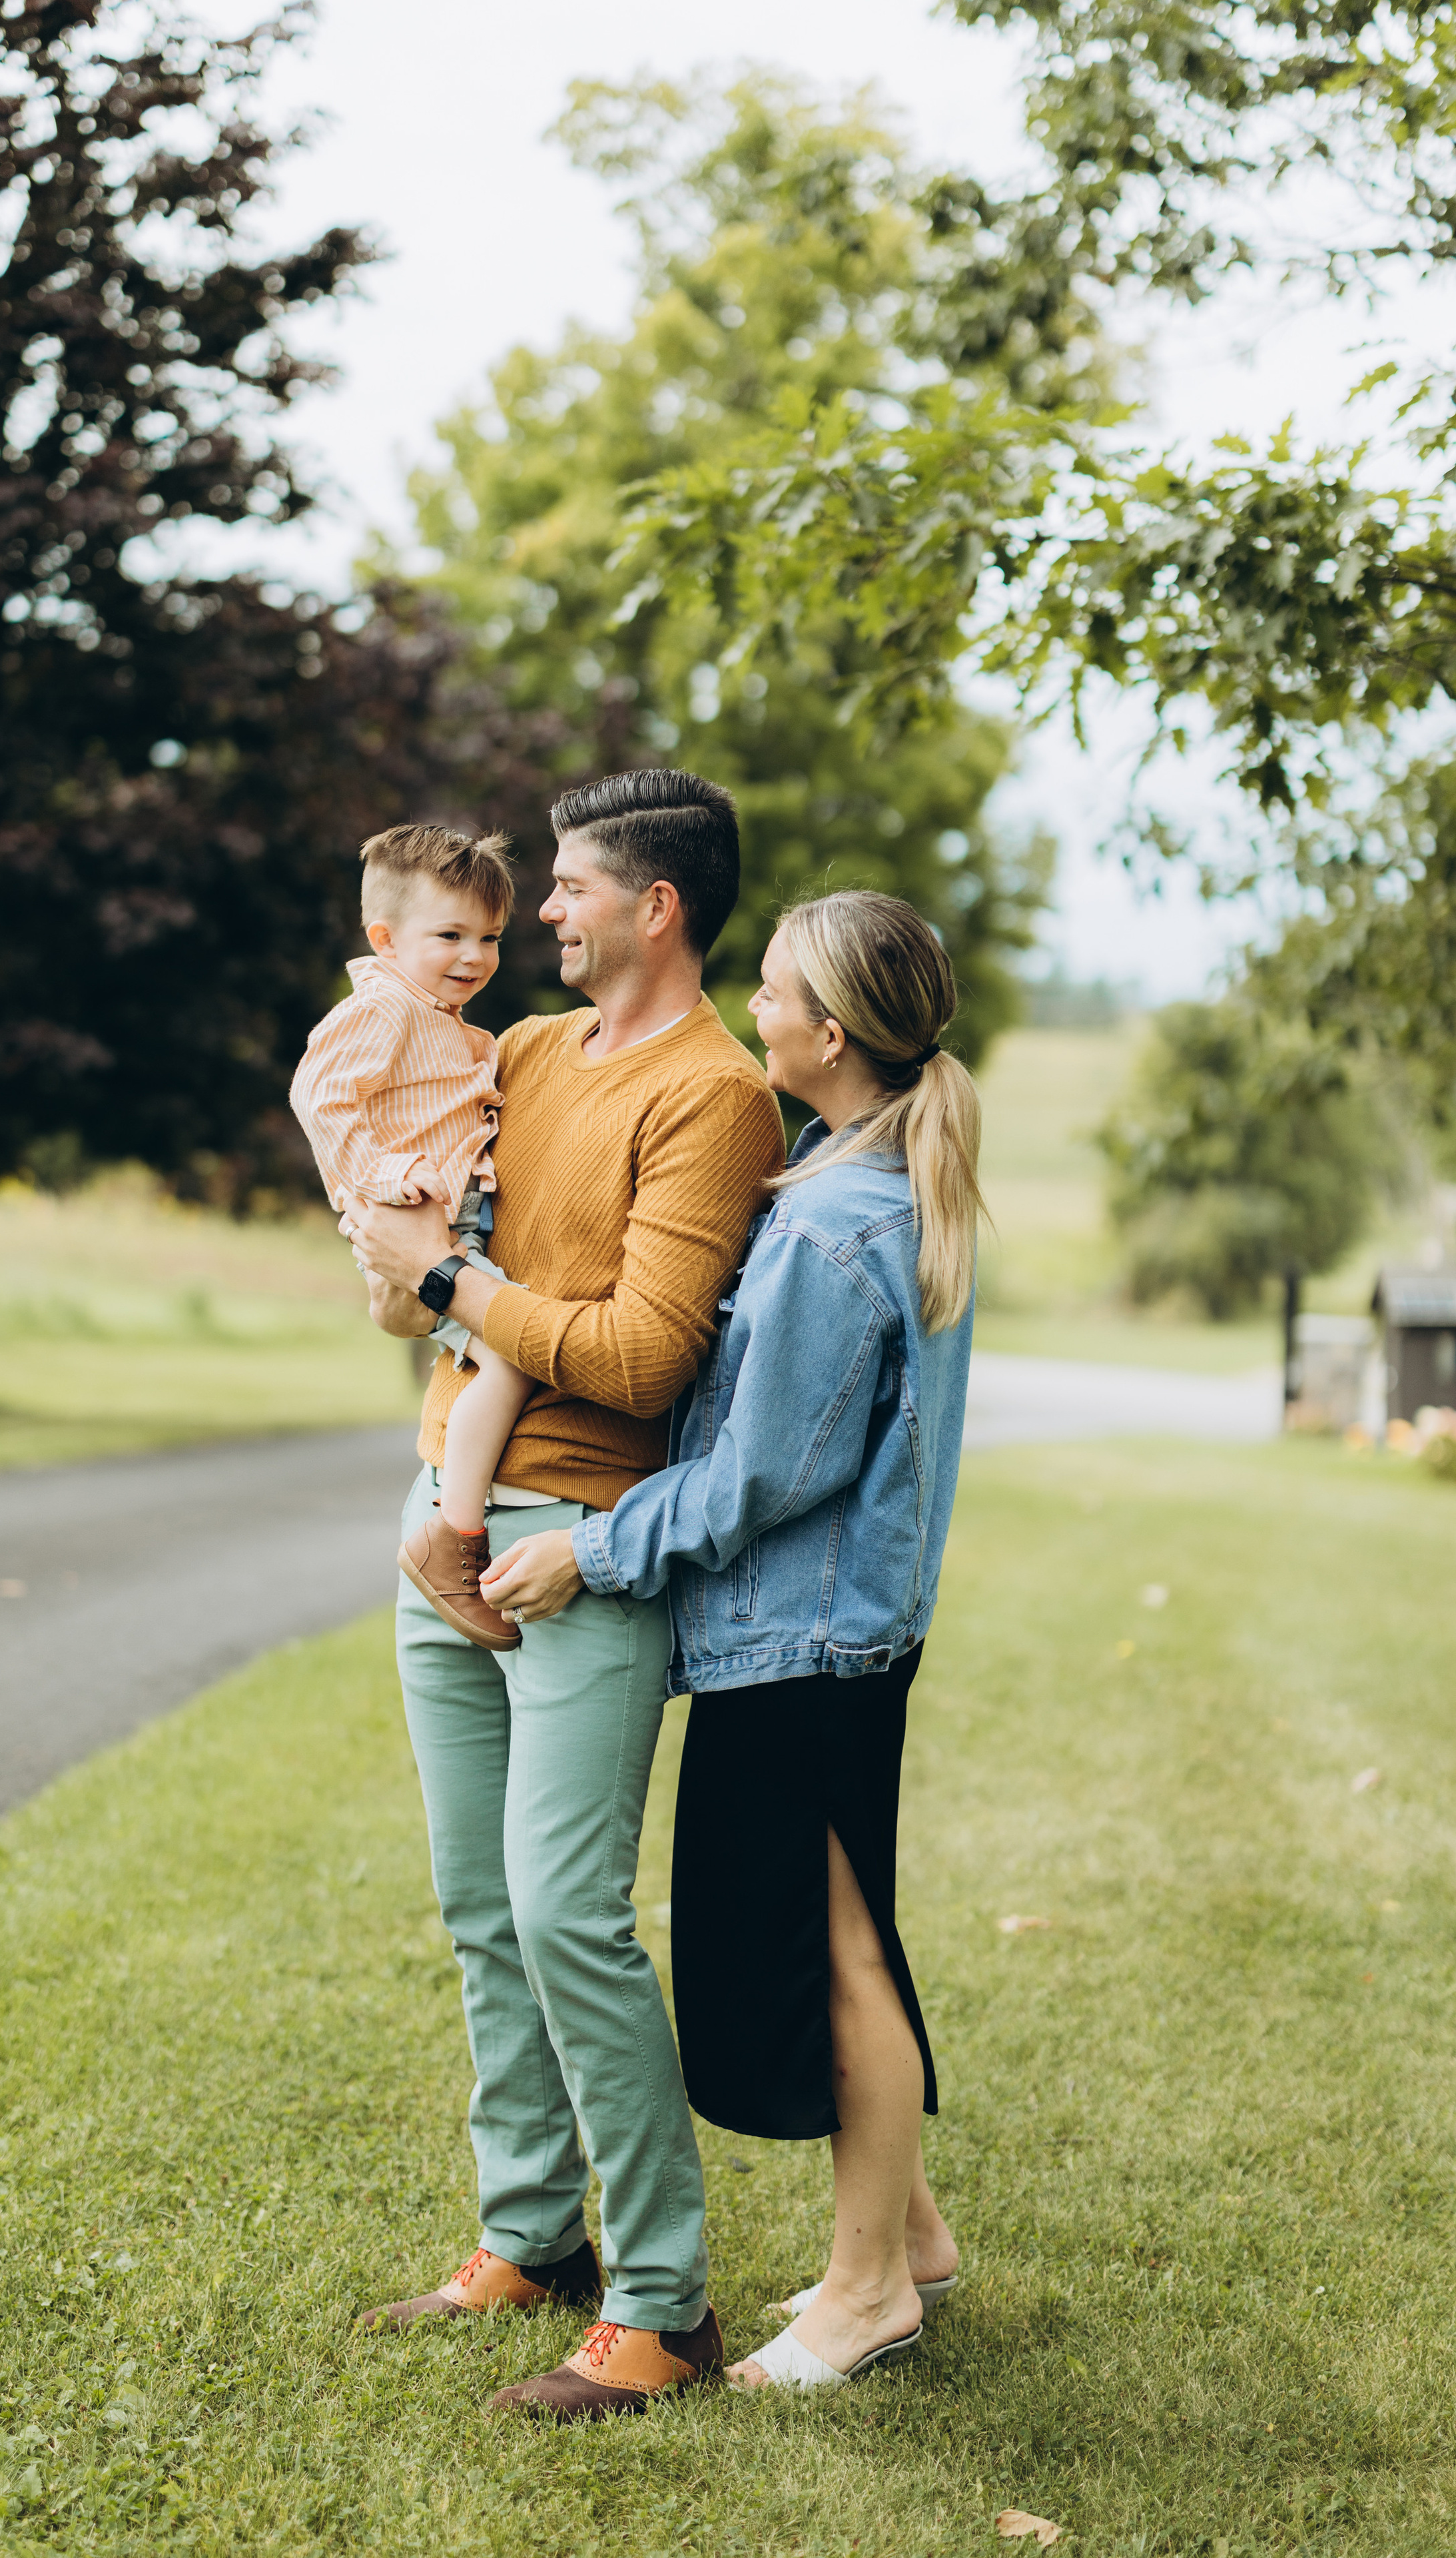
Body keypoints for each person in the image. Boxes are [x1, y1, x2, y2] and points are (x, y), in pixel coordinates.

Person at [481, 889, 979, 2393]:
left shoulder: (832, 1224)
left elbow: (765, 1471)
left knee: (837, 1951)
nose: (751, 1007)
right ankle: (910, 2235)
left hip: (802, 1639)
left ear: (832, 1033)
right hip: (827, 1633)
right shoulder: (860, 1181)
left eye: (771, 990)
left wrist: (592, 1546)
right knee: (839, 1927)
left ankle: (866, 2291)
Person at [339, 769, 786, 2422]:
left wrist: (454, 1280)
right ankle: (530, 2235)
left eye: (567, 885)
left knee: (562, 1915)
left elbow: (642, 1355)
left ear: (652, 907)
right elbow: (413, 1284)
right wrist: (414, 1283)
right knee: (477, 1905)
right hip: (440, 1521)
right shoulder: (519, 1054)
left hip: (580, 1547)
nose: (537, 910)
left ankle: (663, 2305)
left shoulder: (714, 1096)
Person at [289, 823, 534, 1649]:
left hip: (446, 1219)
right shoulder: (384, 1007)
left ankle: (455, 1517)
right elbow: (320, 1096)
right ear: (386, 940)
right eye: (450, 936)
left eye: (489, 938)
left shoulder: (441, 1018)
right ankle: (452, 1534)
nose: (474, 956)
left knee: (498, 1351)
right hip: (416, 1217)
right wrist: (384, 1177)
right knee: (513, 1352)